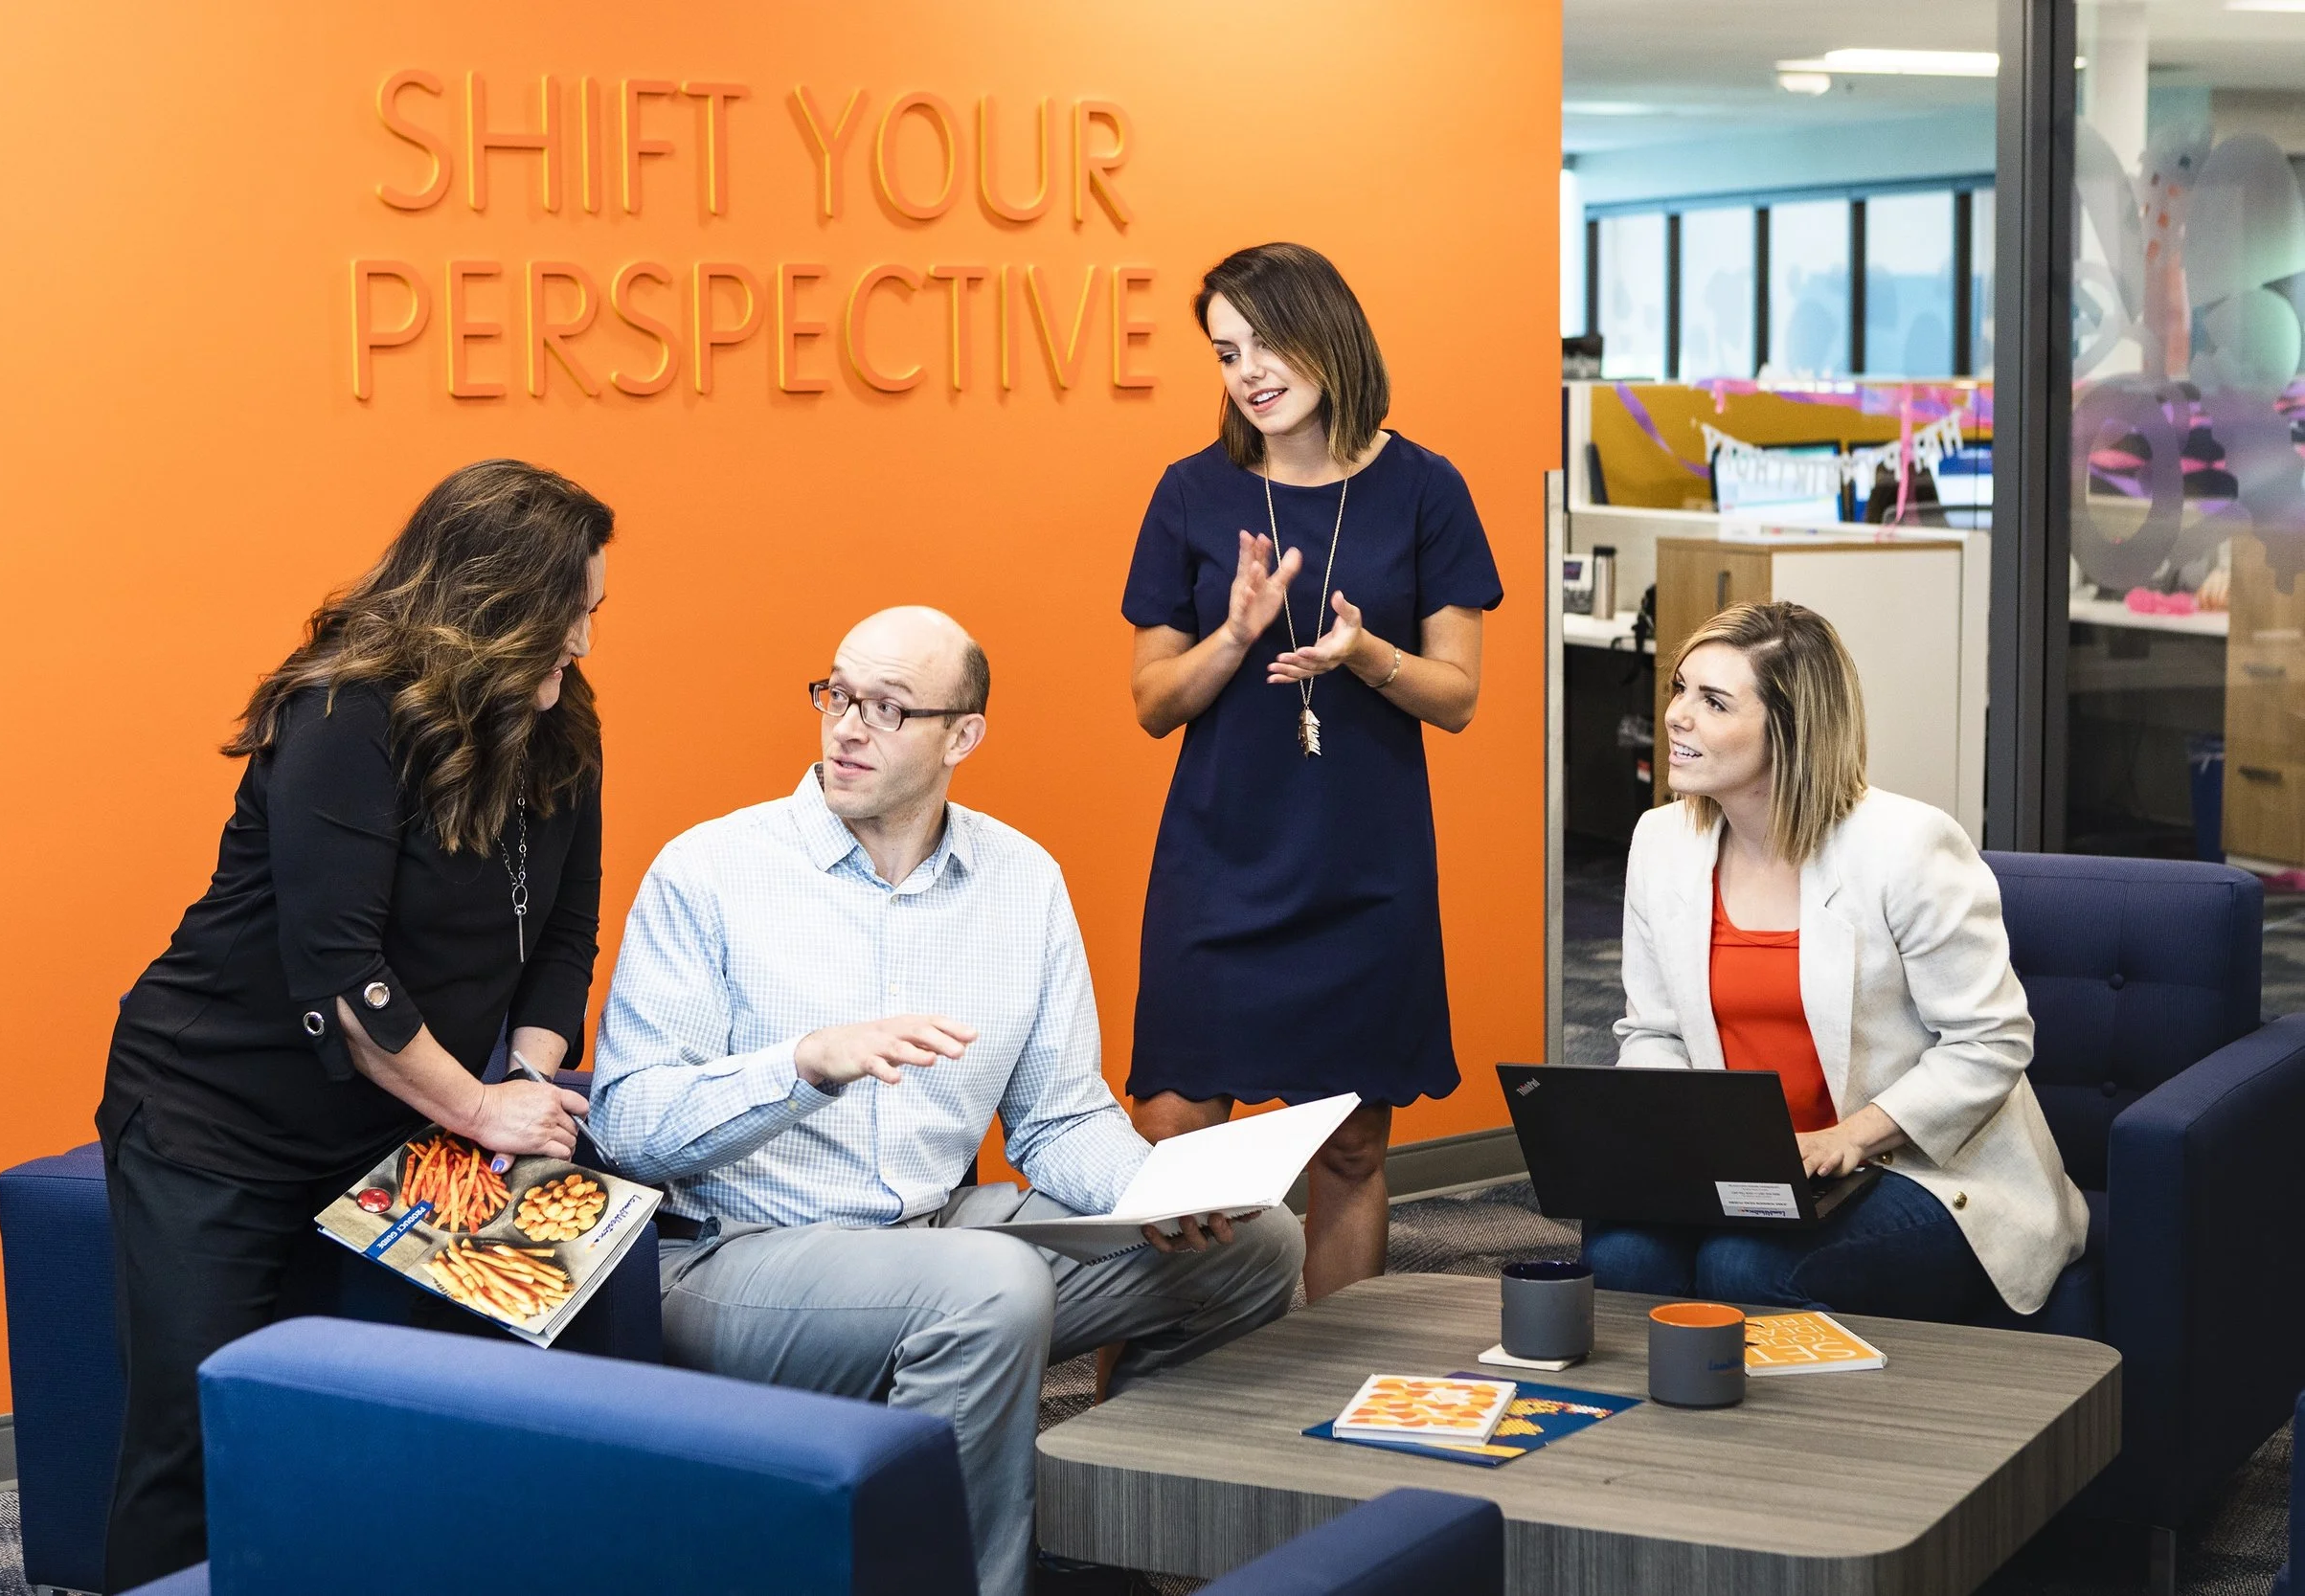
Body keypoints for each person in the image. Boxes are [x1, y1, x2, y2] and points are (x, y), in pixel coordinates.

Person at [588, 605, 1304, 1596]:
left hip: (935, 1228)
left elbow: (1056, 1116)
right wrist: (805, 1062)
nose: (845, 726)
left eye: (886, 708)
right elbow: (627, 1123)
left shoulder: (1020, 880)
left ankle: (1120, 1543)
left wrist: (1153, 1189)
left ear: (962, 735)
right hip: (732, 1256)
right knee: (985, 1286)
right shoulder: (710, 871)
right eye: (835, 693)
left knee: (1254, 1239)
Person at [94, 461, 612, 1591]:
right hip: (216, 1116)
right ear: (492, 606)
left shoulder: (562, 726)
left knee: (519, 1366)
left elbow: (565, 935)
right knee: (200, 1428)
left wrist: (522, 1088)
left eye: (592, 614)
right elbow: (342, 973)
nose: (581, 640)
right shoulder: (343, 710)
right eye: (566, 613)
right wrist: (480, 1106)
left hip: (398, 1110)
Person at [1120, 242, 1503, 1299]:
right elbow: (1153, 702)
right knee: (1174, 1150)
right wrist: (1233, 634)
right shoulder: (1190, 492)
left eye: (1265, 341)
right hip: (1221, 860)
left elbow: (1457, 695)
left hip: (1362, 870)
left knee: (1349, 1149)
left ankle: (1336, 1394)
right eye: (1225, 350)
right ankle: (1125, 1411)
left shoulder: (1425, 488)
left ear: (1328, 334)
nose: (1247, 371)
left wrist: (1363, 654)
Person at [1590, 600, 2088, 1321]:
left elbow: (1993, 1042)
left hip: (1922, 1169)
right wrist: (1677, 1144)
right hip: (1748, 1169)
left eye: (1714, 701)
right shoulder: (1662, 841)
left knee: (1740, 1264)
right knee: (1623, 1255)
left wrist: (1845, 1138)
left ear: (1790, 731)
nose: (1676, 715)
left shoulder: (1906, 846)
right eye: (1680, 688)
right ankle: (1650, 1436)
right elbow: (1655, 1033)